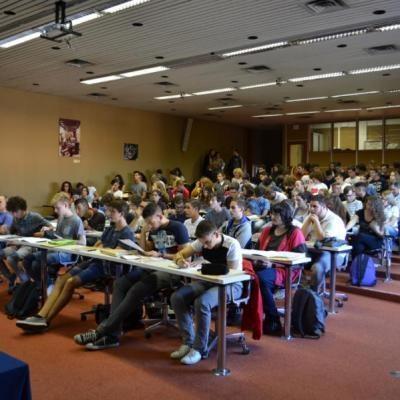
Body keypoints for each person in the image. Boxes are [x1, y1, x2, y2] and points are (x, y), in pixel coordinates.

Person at [73, 203, 189, 350]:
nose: (149, 225)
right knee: (120, 283)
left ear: (160, 216)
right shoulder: (153, 229)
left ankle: (102, 332)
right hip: (152, 266)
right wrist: (144, 235)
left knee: (136, 290)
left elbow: (186, 258)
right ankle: (112, 335)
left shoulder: (177, 227)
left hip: (172, 272)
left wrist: (162, 255)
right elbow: (146, 250)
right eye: (146, 223)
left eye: (151, 222)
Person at [16, 200, 134, 333]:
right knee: (61, 280)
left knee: (70, 282)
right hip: (94, 261)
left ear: (122, 214)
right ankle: (40, 315)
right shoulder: (110, 229)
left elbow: (116, 252)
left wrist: (102, 249)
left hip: (106, 268)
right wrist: (100, 249)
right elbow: (98, 244)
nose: (108, 214)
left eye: (112, 212)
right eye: (109, 211)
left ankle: (46, 320)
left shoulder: (127, 232)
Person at [170, 220, 243, 364]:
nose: (205, 246)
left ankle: (199, 348)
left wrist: (205, 266)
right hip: (209, 281)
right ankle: (188, 342)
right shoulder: (202, 241)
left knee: (202, 302)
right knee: (177, 297)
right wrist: (180, 261)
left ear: (216, 234)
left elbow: (231, 274)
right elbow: (179, 255)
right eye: (202, 243)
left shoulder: (232, 244)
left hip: (232, 285)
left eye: (208, 242)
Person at [254, 202, 307, 335]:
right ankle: (242, 313)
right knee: (246, 274)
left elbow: (299, 261)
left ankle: (273, 318)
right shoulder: (267, 231)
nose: (273, 216)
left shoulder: (295, 233)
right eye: (272, 213)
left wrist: (272, 264)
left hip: (285, 270)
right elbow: (256, 251)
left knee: (261, 278)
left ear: (285, 215)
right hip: (263, 266)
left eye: (277, 214)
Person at [23, 194, 86, 288]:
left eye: (57, 208)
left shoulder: (76, 220)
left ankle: (49, 287)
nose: (55, 211)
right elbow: (57, 237)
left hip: (66, 254)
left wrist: (65, 241)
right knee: (27, 259)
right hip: (54, 249)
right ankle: (42, 284)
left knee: (37, 264)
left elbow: (83, 242)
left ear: (65, 205)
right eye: (55, 208)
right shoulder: (61, 218)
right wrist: (49, 231)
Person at [0, 196, 52, 286]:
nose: (14, 215)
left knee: (11, 258)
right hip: (19, 244)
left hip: (31, 245)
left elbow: (50, 227)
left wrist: (44, 230)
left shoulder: (35, 217)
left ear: (22, 209)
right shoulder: (16, 219)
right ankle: (11, 277)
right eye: (12, 212)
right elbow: (12, 231)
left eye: (15, 212)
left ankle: (25, 281)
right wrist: (6, 230)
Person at [301, 195, 346, 292]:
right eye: (310, 206)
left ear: (324, 207)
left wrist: (316, 222)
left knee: (317, 268)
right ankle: (304, 288)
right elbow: (301, 236)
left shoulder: (334, 220)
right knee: (295, 260)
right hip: (314, 250)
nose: (311, 209)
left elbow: (323, 240)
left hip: (333, 254)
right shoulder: (311, 216)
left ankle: (313, 293)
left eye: (315, 207)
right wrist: (308, 221)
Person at [0, 195, 14, 289]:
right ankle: (10, 277)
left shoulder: (8, 216)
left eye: (0, 202)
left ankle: (10, 277)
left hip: (5, 243)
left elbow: (2, 230)